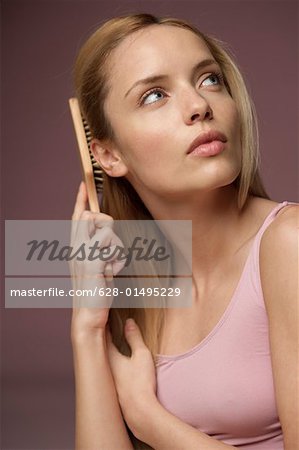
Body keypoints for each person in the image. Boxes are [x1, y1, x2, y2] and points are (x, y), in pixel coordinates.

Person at [70, 13, 298, 450]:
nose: (199, 106)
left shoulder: (289, 244)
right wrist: (86, 327)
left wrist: (146, 416)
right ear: (108, 155)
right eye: (155, 95)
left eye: (209, 79)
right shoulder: (130, 284)